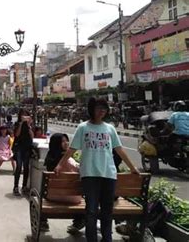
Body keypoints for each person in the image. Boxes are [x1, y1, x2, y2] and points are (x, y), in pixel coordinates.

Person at [54, 97, 139, 242]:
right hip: (90, 174)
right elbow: (72, 149)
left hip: (109, 174)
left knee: (107, 212)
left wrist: (132, 168)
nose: (102, 111)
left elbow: (119, 149)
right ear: (91, 110)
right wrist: (60, 164)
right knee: (91, 211)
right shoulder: (83, 127)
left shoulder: (110, 128)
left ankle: (107, 239)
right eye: (98, 108)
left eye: (104, 109)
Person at [43, 133, 84, 234]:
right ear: (57, 143)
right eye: (63, 141)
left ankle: (43, 221)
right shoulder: (68, 160)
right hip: (73, 198)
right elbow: (81, 170)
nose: (66, 143)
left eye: (66, 140)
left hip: (53, 196)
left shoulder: (49, 158)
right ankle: (79, 221)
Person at [12, 110, 33, 196]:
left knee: (26, 167)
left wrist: (28, 125)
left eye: (26, 115)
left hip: (27, 147)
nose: (24, 117)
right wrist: (21, 124)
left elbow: (32, 136)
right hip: (19, 147)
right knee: (19, 166)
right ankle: (16, 186)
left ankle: (24, 186)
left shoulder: (29, 125)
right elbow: (17, 135)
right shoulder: (17, 124)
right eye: (22, 115)